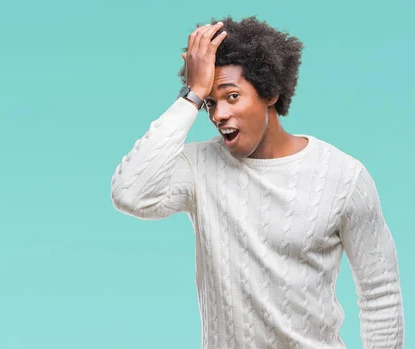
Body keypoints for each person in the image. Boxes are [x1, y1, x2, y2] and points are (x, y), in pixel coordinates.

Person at [109, 16, 404, 348]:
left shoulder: (344, 177)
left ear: (271, 93)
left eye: (232, 96)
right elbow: (130, 193)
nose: (218, 114)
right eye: (211, 102)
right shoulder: (199, 167)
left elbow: (380, 293)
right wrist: (191, 95)